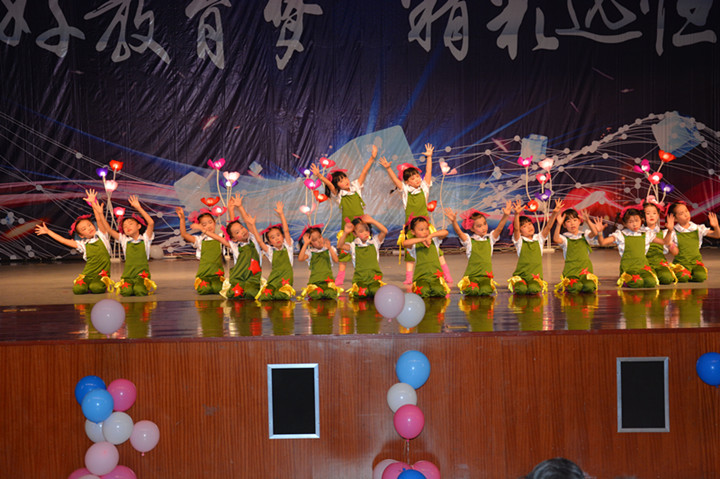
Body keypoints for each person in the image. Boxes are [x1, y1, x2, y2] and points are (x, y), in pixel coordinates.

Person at [378, 143, 453, 285]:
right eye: (413, 179)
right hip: (411, 227)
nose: (417, 179)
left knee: (437, 250)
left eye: (417, 176)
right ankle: (409, 277)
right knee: (410, 253)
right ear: (407, 182)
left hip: (426, 226)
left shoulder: (424, 187)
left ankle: (447, 275)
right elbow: (395, 180)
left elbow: (428, 172)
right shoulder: (405, 191)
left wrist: (429, 157)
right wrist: (388, 168)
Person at [310, 144, 377, 287]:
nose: (345, 181)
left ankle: (369, 272)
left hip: (361, 226)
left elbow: (364, 172)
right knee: (344, 253)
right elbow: (330, 185)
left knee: (365, 249)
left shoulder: (356, 187)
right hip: (347, 227)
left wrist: (372, 158)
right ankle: (340, 276)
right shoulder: (339, 194)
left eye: (345, 178)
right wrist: (319, 175)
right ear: (337, 185)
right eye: (340, 181)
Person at [34, 189, 114, 294]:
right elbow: (63, 241)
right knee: (78, 289)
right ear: (81, 235)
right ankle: (88, 284)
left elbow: (99, 219)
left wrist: (93, 203)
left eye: (89, 225)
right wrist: (48, 232)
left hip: (102, 275)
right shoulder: (83, 244)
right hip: (88, 274)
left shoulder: (102, 236)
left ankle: (97, 284)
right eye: (84, 229)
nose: (89, 228)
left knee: (96, 288)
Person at [89, 193, 157, 296]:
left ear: (139, 226)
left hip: (142, 276)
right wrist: (100, 214)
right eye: (124, 226)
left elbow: (151, 223)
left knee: (139, 291)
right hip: (128, 276)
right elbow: (108, 229)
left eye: (130, 224)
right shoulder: (124, 240)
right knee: (125, 292)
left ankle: (140, 285)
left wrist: (138, 207)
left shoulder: (145, 238)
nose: (127, 227)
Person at [593, 206, 674, 288]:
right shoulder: (621, 235)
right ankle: (624, 280)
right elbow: (602, 242)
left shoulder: (646, 234)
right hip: (629, 269)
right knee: (637, 283)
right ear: (624, 223)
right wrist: (600, 232)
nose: (634, 224)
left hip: (643, 267)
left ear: (641, 220)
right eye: (630, 222)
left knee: (651, 282)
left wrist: (670, 231)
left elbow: (665, 242)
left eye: (637, 221)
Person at [444, 201, 511, 296]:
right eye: (479, 226)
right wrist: (454, 221)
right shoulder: (469, 241)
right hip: (472, 277)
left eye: (484, 224)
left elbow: (499, 229)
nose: (484, 228)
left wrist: (505, 215)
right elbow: (459, 232)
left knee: (486, 291)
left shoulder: (490, 239)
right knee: (473, 291)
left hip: (486, 277)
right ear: (472, 228)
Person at [508, 199, 563, 294]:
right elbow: (516, 229)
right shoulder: (519, 241)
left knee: (533, 289)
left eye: (530, 224)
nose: (529, 227)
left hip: (535, 277)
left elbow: (548, 227)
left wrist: (554, 213)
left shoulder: (539, 238)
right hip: (521, 277)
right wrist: (517, 214)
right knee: (521, 289)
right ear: (521, 232)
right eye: (524, 226)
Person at [244, 201, 296, 300]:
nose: (277, 238)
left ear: (282, 236)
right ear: (270, 242)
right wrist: (253, 225)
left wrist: (281, 214)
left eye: (278, 235)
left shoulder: (288, 246)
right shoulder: (270, 251)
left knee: (281, 296)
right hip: (274, 279)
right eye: (272, 237)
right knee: (265, 297)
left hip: (285, 280)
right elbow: (259, 241)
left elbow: (286, 230)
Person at [219, 195, 263, 300]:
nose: (242, 231)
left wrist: (240, 207)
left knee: (250, 293)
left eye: (242, 228)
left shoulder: (253, 239)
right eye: (238, 232)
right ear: (234, 239)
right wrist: (231, 210)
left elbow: (248, 222)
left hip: (253, 278)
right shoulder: (235, 246)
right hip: (239, 277)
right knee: (235, 294)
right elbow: (233, 228)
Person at [666, 201, 720, 283]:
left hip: (696, 263)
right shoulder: (674, 232)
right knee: (683, 278)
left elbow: (717, 235)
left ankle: (691, 274)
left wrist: (716, 226)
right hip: (681, 264)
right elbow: (670, 248)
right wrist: (669, 231)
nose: (686, 214)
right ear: (675, 218)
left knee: (700, 277)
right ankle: (684, 274)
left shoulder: (698, 228)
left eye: (686, 211)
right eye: (681, 213)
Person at [176, 207, 225, 294]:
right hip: (204, 274)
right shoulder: (200, 240)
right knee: (204, 289)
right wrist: (182, 219)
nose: (208, 226)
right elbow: (184, 234)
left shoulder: (221, 237)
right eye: (204, 224)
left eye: (210, 222)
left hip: (217, 275)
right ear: (199, 226)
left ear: (215, 222)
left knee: (218, 288)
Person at [337, 214, 387, 299]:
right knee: (362, 293)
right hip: (360, 280)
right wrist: (345, 232)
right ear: (354, 234)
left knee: (376, 292)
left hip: (374, 279)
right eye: (361, 231)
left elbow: (384, 231)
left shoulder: (375, 242)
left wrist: (372, 221)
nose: (365, 233)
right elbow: (340, 245)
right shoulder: (353, 246)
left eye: (366, 229)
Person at [552, 208, 599, 294]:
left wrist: (588, 221)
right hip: (571, 272)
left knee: (590, 287)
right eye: (568, 221)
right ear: (564, 225)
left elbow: (595, 233)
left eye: (575, 220)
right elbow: (556, 239)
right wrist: (558, 224)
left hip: (585, 272)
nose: (572, 223)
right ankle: (569, 285)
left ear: (579, 221)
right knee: (576, 287)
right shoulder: (565, 239)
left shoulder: (584, 235)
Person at [402, 215, 451, 297]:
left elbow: (445, 232)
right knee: (423, 291)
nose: (425, 232)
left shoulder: (434, 241)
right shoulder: (414, 245)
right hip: (421, 278)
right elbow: (405, 243)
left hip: (436, 277)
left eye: (427, 229)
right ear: (413, 232)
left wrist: (431, 236)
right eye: (421, 230)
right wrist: (422, 239)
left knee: (439, 291)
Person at [297, 224, 342, 300]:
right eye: (314, 240)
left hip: (328, 282)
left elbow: (336, 260)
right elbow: (300, 258)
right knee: (317, 294)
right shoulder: (310, 252)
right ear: (310, 244)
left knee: (330, 293)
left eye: (320, 237)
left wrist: (329, 248)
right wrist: (305, 244)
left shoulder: (329, 249)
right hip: (315, 283)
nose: (319, 240)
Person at [643, 201, 679, 285]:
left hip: (660, 263)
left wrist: (670, 231)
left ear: (658, 215)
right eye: (648, 213)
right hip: (644, 263)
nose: (651, 216)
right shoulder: (640, 232)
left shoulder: (663, 233)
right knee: (650, 280)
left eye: (654, 213)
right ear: (642, 217)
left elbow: (675, 252)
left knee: (667, 278)